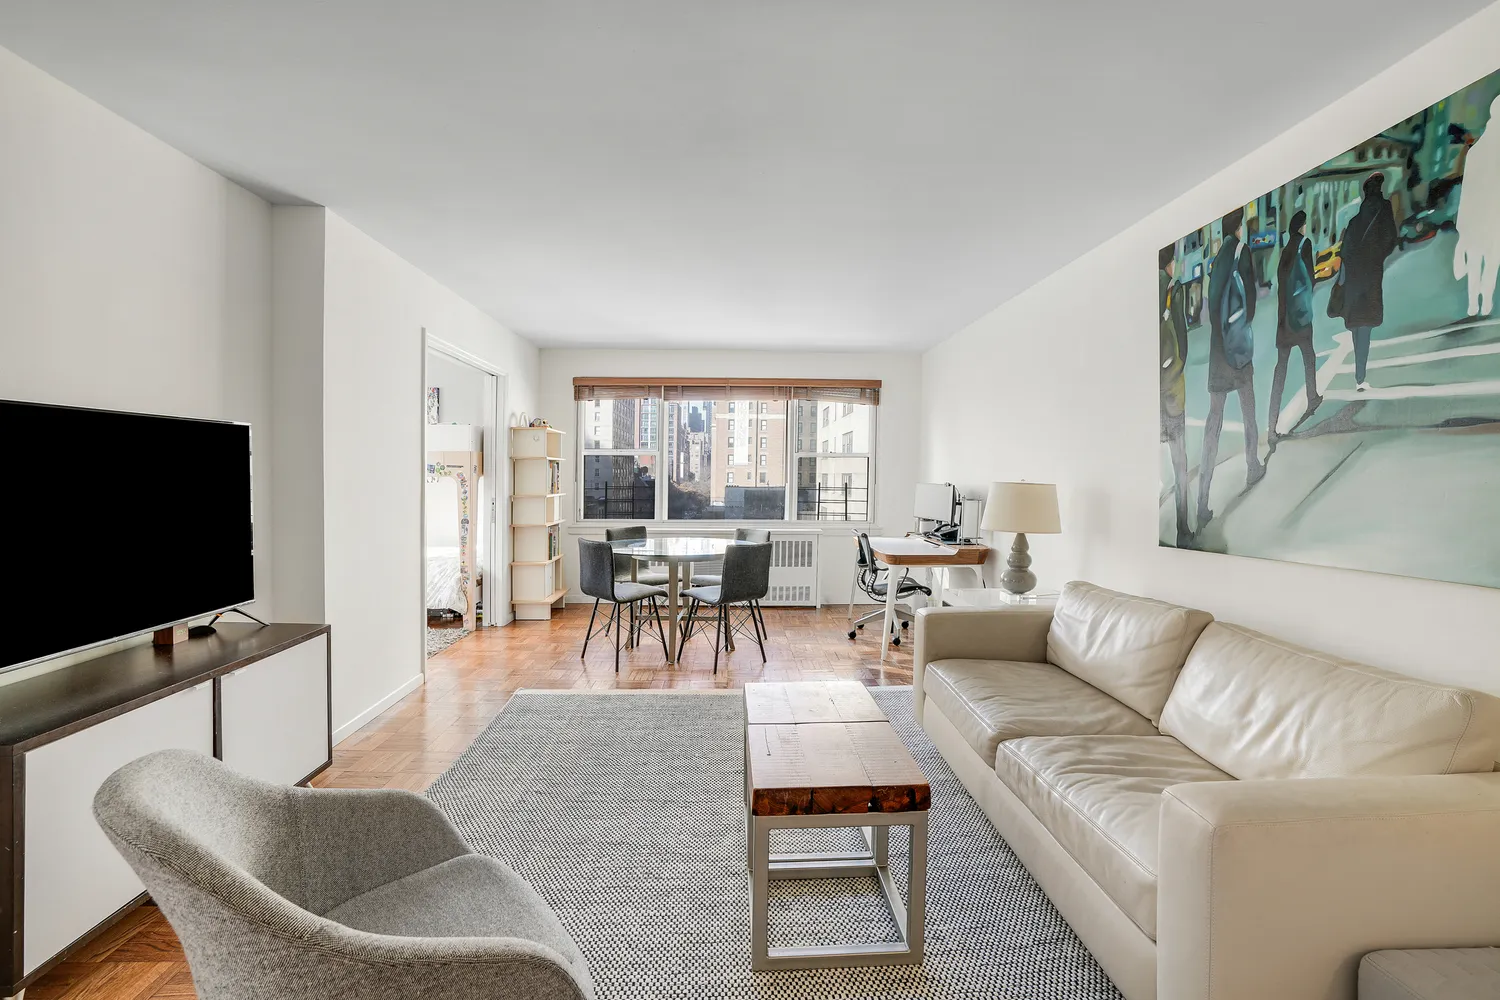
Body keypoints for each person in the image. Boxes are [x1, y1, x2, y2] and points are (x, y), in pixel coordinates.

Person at [1197, 207, 1265, 529]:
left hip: (1216, 352)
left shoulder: (1214, 262)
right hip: (1237, 348)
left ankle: (1202, 500)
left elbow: (1212, 308)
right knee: (1248, 409)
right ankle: (1252, 465)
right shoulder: (1242, 252)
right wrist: (1241, 327)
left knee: (1214, 422)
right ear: (1239, 228)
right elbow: (1249, 302)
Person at [1338, 173, 1398, 390]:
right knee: (1366, 328)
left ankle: (1359, 375)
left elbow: (1344, 254)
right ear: (1379, 189)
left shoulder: (1354, 222)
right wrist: (1377, 256)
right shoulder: (1384, 209)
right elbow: (1391, 238)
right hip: (1371, 276)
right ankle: (1360, 377)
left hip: (1353, 282)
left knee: (1357, 327)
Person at [1268, 210, 1322, 444]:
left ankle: (1271, 424)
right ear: (1301, 227)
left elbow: (1282, 286)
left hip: (1284, 321)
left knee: (1281, 369)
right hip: (1300, 318)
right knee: (1309, 356)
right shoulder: (1304, 245)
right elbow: (1310, 277)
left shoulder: (1285, 252)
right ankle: (1312, 397)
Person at [1159, 244, 1192, 545]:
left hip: (1148, 398)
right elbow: (1183, 338)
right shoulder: (1173, 289)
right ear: (1170, 263)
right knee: (1179, 460)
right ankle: (1183, 527)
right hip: (1171, 391)